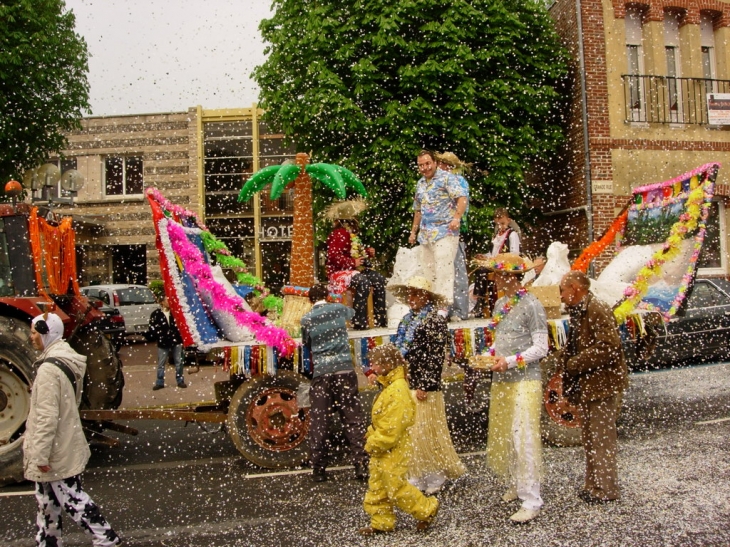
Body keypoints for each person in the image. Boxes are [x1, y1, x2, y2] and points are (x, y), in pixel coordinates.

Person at [24, 313, 121, 547]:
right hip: (63, 439)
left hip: (56, 446)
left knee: (71, 497)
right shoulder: (65, 361)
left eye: (35, 332)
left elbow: (46, 417)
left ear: (47, 333)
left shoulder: (49, 370)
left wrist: (40, 455)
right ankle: (47, 540)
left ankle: (106, 537)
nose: (31, 337)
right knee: (47, 500)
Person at [482, 254, 548, 523]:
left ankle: (532, 500)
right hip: (504, 380)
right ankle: (515, 483)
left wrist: (508, 362)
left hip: (525, 379)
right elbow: (501, 341)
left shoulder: (532, 304)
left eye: (499, 275)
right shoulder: (500, 303)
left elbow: (541, 348)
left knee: (524, 437)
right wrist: (489, 356)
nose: (496, 280)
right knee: (506, 434)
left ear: (511, 277)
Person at [556, 270, 629, 503]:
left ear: (576, 288)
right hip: (589, 385)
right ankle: (593, 485)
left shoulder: (597, 308)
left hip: (602, 384)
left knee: (601, 438)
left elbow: (609, 346)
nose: (560, 296)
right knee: (589, 437)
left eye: (562, 290)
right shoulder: (579, 310)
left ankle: (606, 490)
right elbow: (578, 343)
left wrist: (576, 363)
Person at [390, 276, 465, 494]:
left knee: (428, 431)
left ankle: (435, 474)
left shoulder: (434, 320)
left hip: (425, 385)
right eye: (409, 294)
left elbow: (435, 357)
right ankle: (418, 473)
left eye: (416, 294)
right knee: (413, 432)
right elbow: (400, 349)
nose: (411, 298)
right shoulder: (407, 320)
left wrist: (425, 384)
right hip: (411, 380)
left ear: (427, 297)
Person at [360, 344, 439, 535]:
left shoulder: (397, 391)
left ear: (387, 364)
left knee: (395, 486)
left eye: (376, 364)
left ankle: (427, 509)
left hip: (392, 448)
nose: (374, 368)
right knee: (378, 486)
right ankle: (381, 522)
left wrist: (373, 442)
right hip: (384, 447)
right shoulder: (390, 386)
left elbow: (391, 429)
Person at [300, 283, 369, 482]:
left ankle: (319, 469)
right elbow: (353, 312)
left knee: (320, 422)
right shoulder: (338, 310)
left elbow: (307, 343)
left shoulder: (307, 319)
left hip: (322, 374)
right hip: (345, 370)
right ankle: (361, 465)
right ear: (327, 296)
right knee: (352, 418)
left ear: (310, 300)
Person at [409, 150, 467, 314]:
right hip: (426, 234)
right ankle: (431, 305)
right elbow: (418, 210)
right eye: (421, 165)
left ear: (434, 162)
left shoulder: (447, 178)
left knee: (444, 269)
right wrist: (413, 232)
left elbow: (462, 198)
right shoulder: (420, 184)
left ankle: (443, 306)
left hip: (445, 230)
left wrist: (456, 218)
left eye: (427, 164)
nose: (425, 168)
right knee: (428, 270)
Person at [325, 199, 387, 330]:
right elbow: (334, 257)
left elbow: (355, 253)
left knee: (379, 279)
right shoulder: (338, 234)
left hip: (354, 270)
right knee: (363, 282)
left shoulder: (351, 234)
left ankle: (379, 318)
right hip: (339, 272)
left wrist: (367, 253)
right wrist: (352, 262)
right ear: (349, 219)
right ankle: (359, 320)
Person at [435, 151, 471, 321]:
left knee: (457, 272)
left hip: (453, 233)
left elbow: (461, 207)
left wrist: (453, 220)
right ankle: (445, 308)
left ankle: (459, 310)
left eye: (442, 163)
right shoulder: (437, 182)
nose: (440, 166)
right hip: (440, 234)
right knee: (443, 272)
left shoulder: (458, 182)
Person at [473, 208, 522, 317]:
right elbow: (492, 254)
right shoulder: (496, 236)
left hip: (508, 264)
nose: (500, 226)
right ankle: (482, 301)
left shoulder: (512, 234)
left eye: (503, 223)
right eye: (498, 224)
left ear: (509, 220)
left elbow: (515, 253)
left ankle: (482, 303)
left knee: (482, 271)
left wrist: (502, 259)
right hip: (495, 264)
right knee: (480, 270)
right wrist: (484, 257)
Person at [148, 295, 186, 390]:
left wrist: (180, 338)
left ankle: (180, 380)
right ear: (162, 302)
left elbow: (181, 325)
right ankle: (160, 382)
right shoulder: (156, 314)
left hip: (176, 340)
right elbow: (152, 328)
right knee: (161, 363)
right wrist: (159, 337)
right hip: (163, 341)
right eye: (167, 300)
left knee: (179, 362)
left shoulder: (175, 313)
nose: (170, 302)